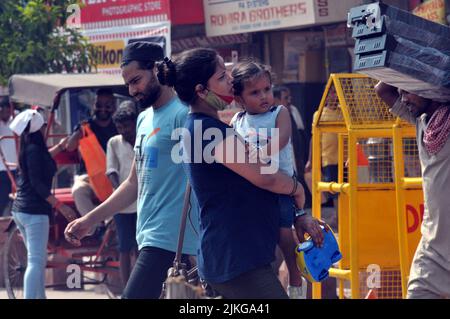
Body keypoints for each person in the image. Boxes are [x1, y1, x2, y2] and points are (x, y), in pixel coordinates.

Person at [157, 48, 325, 299]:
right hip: (236, 261)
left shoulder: (210, 128)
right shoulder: (207, 131)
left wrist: (296, 211)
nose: (231, 80)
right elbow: (264, 175)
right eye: (222, 76)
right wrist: (297, 188)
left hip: (240, 257)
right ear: (202, 91)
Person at [65, 42, 198, 299]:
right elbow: (134, 184)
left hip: (172, 238)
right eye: (128, 83)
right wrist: (90, 220)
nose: (132, 90)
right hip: (146, 232)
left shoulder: (185, 114)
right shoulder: (143, 119)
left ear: (158, 69)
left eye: (136, 80)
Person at [229, 62, 307, 299]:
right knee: (261, 247)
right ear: (240, 99)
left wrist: (259, 155)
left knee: (286, 241)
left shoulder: (279, 113)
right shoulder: (237, 121)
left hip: (282, 187)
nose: (264, 96)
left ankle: (296, 288)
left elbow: (282, 139)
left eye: (267, 89)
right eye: (254, 92)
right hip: (253, 191)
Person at [375, 82, 450, 299]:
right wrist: (407, 68)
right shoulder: (422, 123)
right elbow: (382, 90)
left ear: (431, 89)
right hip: (432, 253)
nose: (403, 98)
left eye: (408, 91)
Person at [8, 109, 77, 299]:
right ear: (40, 128)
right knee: (36, 261)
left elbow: (43, 158)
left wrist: (61, 147)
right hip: (34, 213)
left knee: (36, 260)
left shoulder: (30, 149)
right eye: (44, 125)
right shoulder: (35, 151)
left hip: (21, 211)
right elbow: (38, 185)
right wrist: (60, 206)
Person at [65, 88, 118, 218]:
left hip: (113, 175)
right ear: (93, 105)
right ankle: (95, 224)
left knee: (124, 192)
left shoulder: (119, 126)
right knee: (78, 191)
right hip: (88, 176)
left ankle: (111, 224)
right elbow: (70, 147)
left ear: (114, 106)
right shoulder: (85, 126)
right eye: (99, 105)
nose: (103, 109)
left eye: (107, 105)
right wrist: (79, 133)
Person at [106, 104, 139, 287]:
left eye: (127, 126)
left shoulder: (144, 138)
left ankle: (142, 288)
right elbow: (111, 171)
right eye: (120, 127)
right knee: (125, 247)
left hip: (143, 201)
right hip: (123, 205)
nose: (124, 130)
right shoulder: (114, 142)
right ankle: (127, 289)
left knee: (141, 247)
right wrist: (120, 192)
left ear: (134, 123)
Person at [0, 96, 17, 216]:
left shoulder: (16, 119)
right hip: (2, 169)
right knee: (2, 200)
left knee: (17, 201)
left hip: (17, 167)